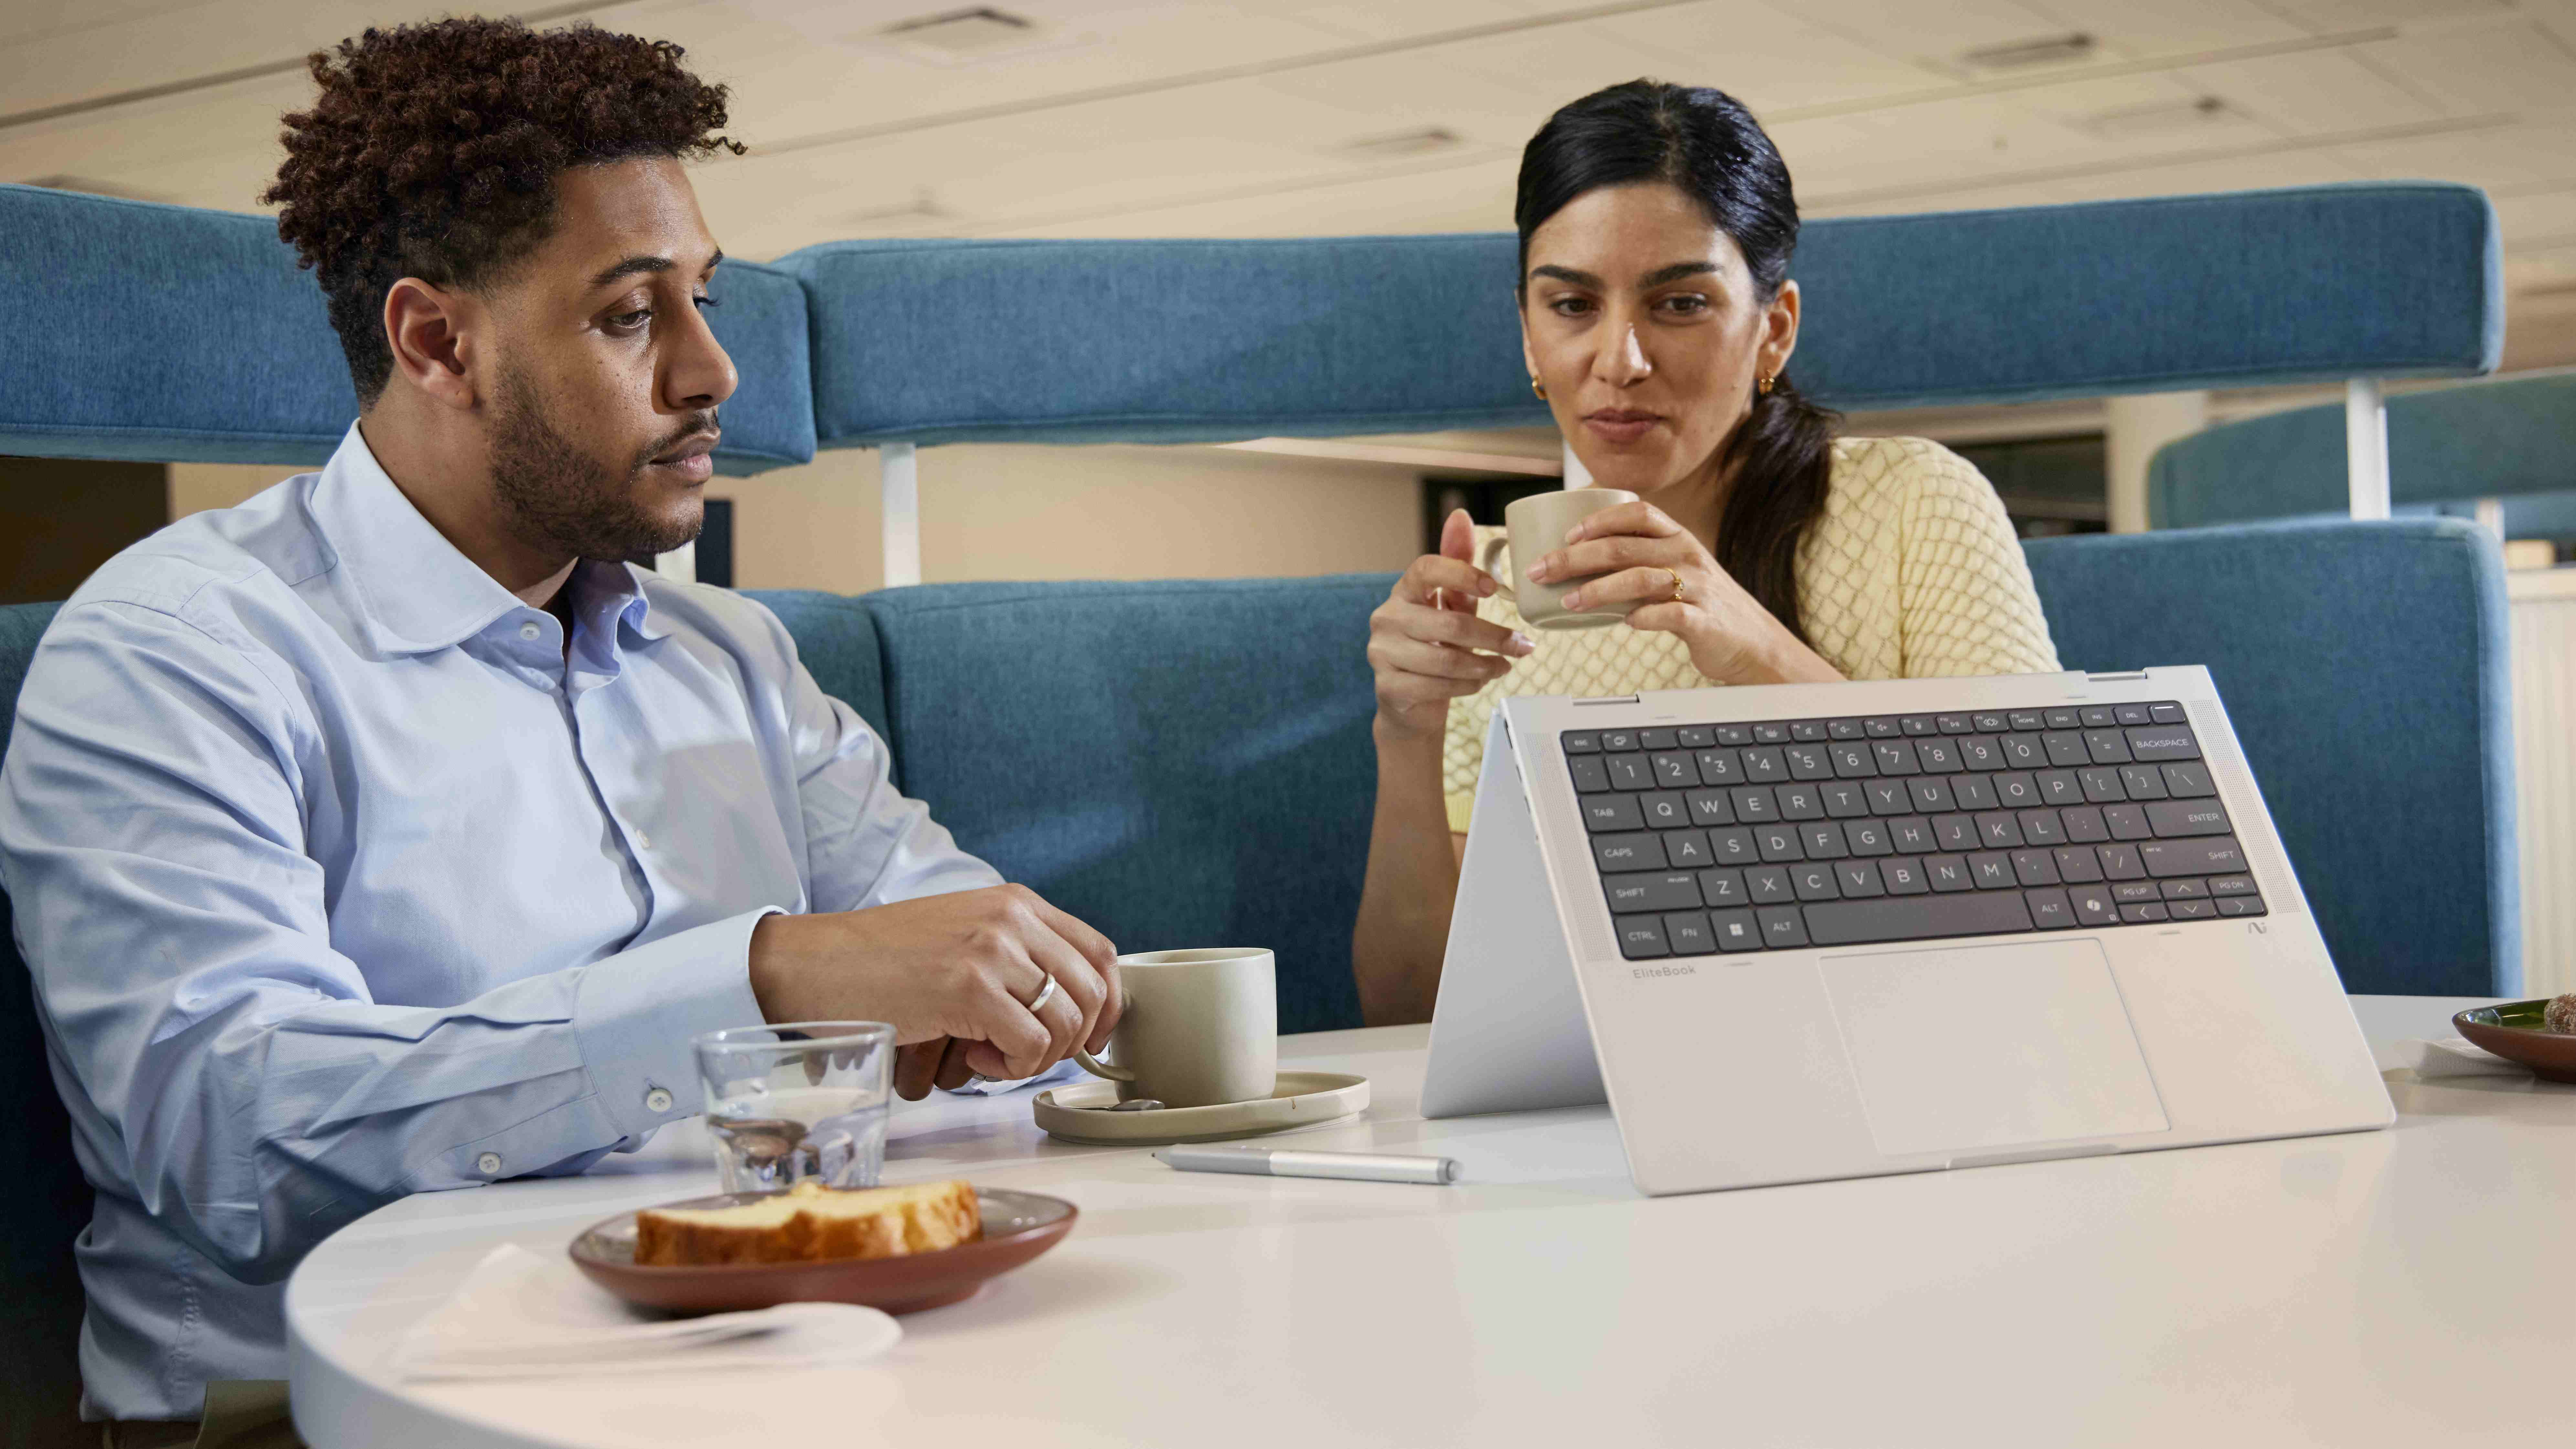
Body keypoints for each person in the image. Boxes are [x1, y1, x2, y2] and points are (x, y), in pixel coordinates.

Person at [0, 19, 1121, 1440]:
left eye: (703, 300)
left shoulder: (732, 656)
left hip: (768, 1367)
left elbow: (955, 943)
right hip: (322, 1412)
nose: (715, 371)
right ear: (437, 341)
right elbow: (231, 1139)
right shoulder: (182, 651)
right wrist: (761, 979)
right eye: (630, 314)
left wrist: (1010, 1006)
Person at [1352, 80, 2061, 1026]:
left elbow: (2041, 866)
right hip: (1596, 1109)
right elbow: (1411, 1012)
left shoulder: (1910, 502)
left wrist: (1753, 646)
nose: (1620, 360)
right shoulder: (1491, 583)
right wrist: (1407, 734)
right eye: (1570, 304)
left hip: (1913, 1052)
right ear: (1528, 330)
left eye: (1679, 303)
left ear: (1773, 328)